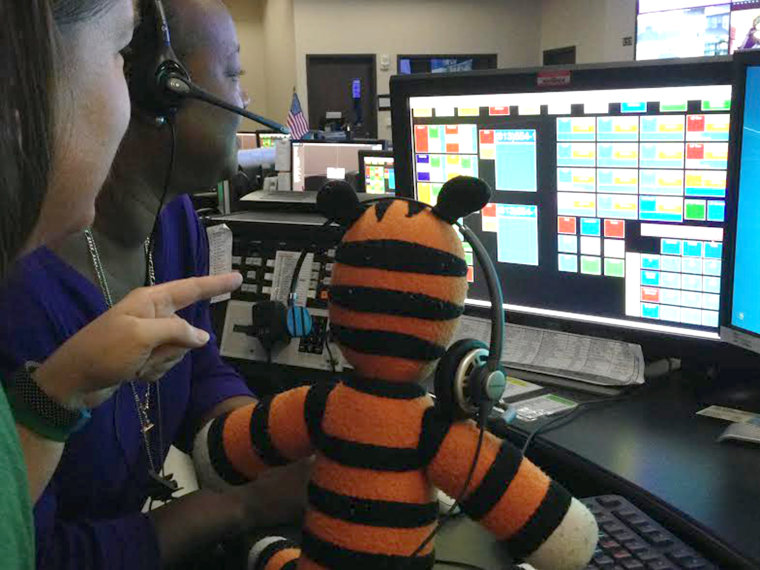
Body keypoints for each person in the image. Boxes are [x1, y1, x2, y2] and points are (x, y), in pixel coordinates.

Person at [0, 0, 308, 568]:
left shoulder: (174, 219)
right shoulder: (17, 289)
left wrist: (274, 438)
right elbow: (34, 552)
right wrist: (244, 506)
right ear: (157, 92)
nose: (243, 102)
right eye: (234, 75)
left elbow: (196, 363)